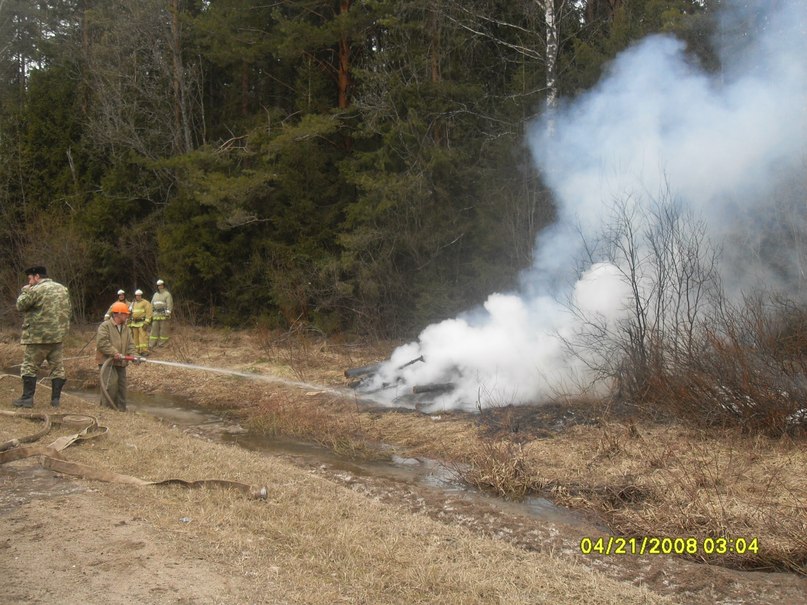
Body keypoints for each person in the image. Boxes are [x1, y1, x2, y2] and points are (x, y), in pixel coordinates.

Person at [12, 266, 71, 409]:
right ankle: (55, 401)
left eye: (30, 278)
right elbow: (68, 309)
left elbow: (20, 305)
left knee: (29, 368)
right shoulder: (63, 289)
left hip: (38, 337)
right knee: (57, 369)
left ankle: (27, 400)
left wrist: (25, 289)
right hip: (57, 336)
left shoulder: (35, 289)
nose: (29, 281)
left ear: (36, 276)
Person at [96, 301, 140, 411]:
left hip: (121, 362)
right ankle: (108, 410)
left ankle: (121, 411)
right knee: (110, 386)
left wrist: (134, 356)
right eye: (125, 314)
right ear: (118, 314)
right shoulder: (105, 326)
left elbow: (130, 344)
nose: (127, 316)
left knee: (121, 388)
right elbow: (102, 342)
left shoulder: (126, 328)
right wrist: (114, 353)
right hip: (108, 362)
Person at [149, 278, 174, 350]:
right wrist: (151, 313)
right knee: (154, 331)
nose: (160, 286)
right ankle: (152, 344)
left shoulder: (167, 294)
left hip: (164, 315)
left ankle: (162, 344)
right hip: (156, 315)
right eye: (158, 285)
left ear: (163, 285)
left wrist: (168, 313)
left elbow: (169, 304)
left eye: (161, 285)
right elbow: (152, 304)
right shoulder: (155, 294)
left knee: (163, 331)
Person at [129, 289, 153, 356]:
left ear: (141, 296)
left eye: (139, 296)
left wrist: (146, 323)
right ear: (135, 296)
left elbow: (149, 313)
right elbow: (130, 313)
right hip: (134, 323)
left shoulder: (145, 303)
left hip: (142, 323)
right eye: (137, 296)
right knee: (135, 338)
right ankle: (136, 351)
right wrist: (129, 322)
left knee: (143, 337)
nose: (138, 297)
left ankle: (144, 351)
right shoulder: (133, 303)